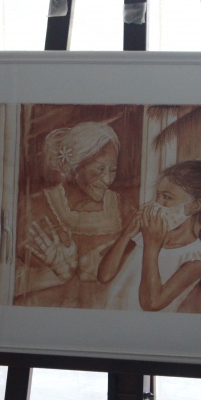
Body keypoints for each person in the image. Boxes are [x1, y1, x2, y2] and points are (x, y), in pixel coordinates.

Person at [14, 121, 135, 308]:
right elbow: (10, 276)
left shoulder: (123, 210)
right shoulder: (35, 207)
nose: (107, 180)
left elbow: (135, 271)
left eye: (112, 170)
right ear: (75, 166)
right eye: (99, 169)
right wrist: (53, 271)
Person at [98, 160, 201, 312]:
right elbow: (104, 276)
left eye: (167, 197)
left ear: (195, 206)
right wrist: (126, 235)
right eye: (157, 196)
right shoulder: (143, 236)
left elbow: (151, 304)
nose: (157, 203)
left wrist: (152, 245)